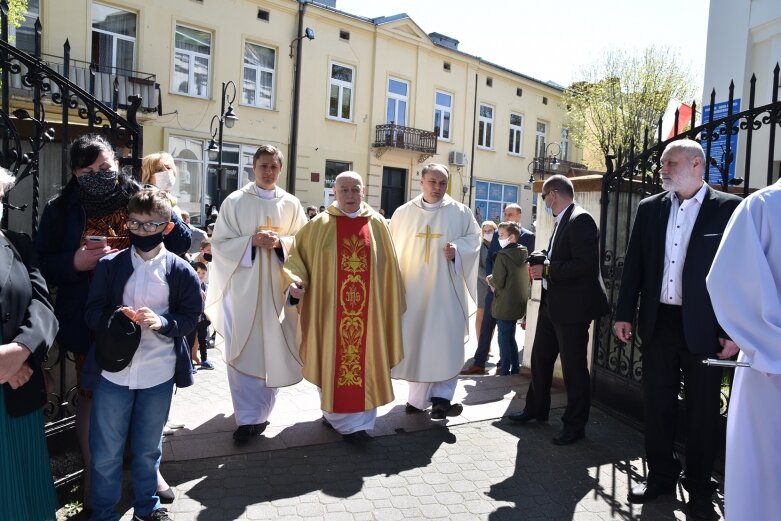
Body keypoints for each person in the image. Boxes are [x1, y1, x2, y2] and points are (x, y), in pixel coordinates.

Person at [34, 134, 191, 511]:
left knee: (151, 396)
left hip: (151, 317)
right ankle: (94, 472)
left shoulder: (138, 194)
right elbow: (40, 263)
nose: (97, 176)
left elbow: (181, 242)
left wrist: (158, 211)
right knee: (95, 395)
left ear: (117, 165)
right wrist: (75, 263)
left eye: (104, 168)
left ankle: (148, 472)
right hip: (94, 320)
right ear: (74, 173)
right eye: (87, 171)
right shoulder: (62, 208)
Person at [612, 140, 740, 520]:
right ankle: (661, 477)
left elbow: (736, 274)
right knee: (658, 405)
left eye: (671, 163)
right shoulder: (650, 209)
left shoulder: (728, 209)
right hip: (659, 323)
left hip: (705, 328)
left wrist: (730, 330)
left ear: (697, 163)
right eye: (663, 163)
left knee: (702, 409)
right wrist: (624, 313)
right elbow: (634, 263)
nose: (663, 169)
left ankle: (700, 486)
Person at [84, 188, 201, 521]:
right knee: (106, 452)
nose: (142, 231)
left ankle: (147, 508)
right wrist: (113, 318)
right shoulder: (110, 265)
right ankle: (104, 513)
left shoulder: (180, 270)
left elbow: (191, 315)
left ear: (166, 227)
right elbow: (91, 312)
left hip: (158, 373)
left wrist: (163, 321)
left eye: (151, 226)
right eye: (136, 224)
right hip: (114, 373)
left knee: (148, 449)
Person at [283, 172, 405, 442]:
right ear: (334, 193)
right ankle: (335, 418)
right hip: (329, 312)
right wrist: (298, 281)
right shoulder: (319, 225)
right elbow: (297, 258)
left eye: (355, 189)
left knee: (367, 359)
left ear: (363, 192)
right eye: (344, 190)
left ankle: (360, 425)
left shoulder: (377, 225)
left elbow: (389, 269)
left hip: (369, 314)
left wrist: (387, 303)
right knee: (331, 356)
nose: (350, 195)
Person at [204, 144, 307, 444]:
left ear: (280, 168)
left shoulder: (291, 204)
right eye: (263, 165)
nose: (268, 171)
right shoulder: (235, 202)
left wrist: (280, 244)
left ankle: (262, 411)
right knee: (244, 346)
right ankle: (247, 417)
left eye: (274, 166)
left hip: (278, 290)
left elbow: (303, 244)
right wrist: (250, 242)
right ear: (253, 166)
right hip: (243, 291)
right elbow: (219, 245)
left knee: (273, 346)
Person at [509, 175, 608, 446]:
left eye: (543, 197)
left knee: (574, 369)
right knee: (540, 359)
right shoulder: (563, 218)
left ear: (553, 194)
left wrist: (548, 269)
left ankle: (575, 425)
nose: (543, 202)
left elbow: (585, 266)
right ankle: (535, 409)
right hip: (553, 305)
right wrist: (540, 256)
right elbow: (558, 252)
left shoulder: (581, 219)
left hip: (573, 309)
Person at [705, 178, 781, 521]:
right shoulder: (763, 206)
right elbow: (728, 283)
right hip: (772, 375)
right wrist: (773, 350)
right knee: (765, 483)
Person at [390, 163, 480, 419]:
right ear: (421, 182)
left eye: (442, 183)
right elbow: (391, 250)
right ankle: (417, 401)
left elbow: (474, 241)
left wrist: (458, 251)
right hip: (413, 292)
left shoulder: (461, 212)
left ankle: (442, 399)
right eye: (432, 182)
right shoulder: (403, 213)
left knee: (446, 343)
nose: (437, 188)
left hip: (446, 294)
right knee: (417, 343)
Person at [0, 168, 59, 521]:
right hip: (11, 376)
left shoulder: (18, 245)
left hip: (19, 394)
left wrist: (20, 352)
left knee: (26, 499)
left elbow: (43, 309)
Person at [462, 204, 534, 375]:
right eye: (505, 213)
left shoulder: (528, 237)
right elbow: (489, 261)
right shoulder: (497, 234)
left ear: (519, 216)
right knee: (487, 324)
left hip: (510, 294)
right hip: (492, 290)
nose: (507, 216)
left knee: (507, 331)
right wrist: (490, 281)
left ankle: (504, 363)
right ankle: (479, 362)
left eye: (511, 214)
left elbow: (525, 266)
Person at [486, 222, 529, 375]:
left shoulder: (503, 255)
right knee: (511, 336)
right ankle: (515, 367)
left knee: (504, 337)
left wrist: (489, 279)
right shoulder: (523, 252)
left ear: (511, 237)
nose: (498, 238)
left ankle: (505, 369)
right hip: (518, 302)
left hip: (504, 303)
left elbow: (498, 281)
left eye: (501, 235)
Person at [474, 221, 497, 339]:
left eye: (490, 231)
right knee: (481, 316)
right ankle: (480, 345)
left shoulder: (499, 245)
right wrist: (490, 280)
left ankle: (488, 346)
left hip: (498, 286)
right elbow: (477, 268)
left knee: (492, 318)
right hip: (483, 284)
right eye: (485, 231)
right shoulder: (479, 247)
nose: (488, 233)